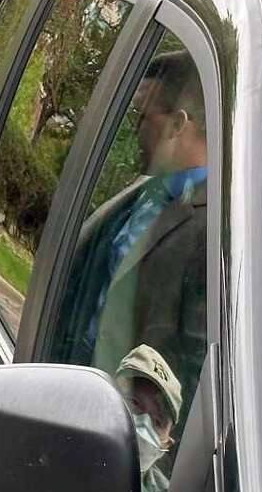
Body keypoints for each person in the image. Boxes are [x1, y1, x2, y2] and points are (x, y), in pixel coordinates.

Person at [55, 50, 209, 393]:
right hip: (69, 379)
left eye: (143, 117)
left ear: (178, 125)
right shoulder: (144, 193)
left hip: (114, 420)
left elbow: (195, 373)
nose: (136, 131)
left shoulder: (213, 232)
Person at [116, 344, 182, 492]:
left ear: (166, 444)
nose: (143, 423)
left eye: (158, 422)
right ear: (110, 398)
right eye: (135, 403)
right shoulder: (69, 458)